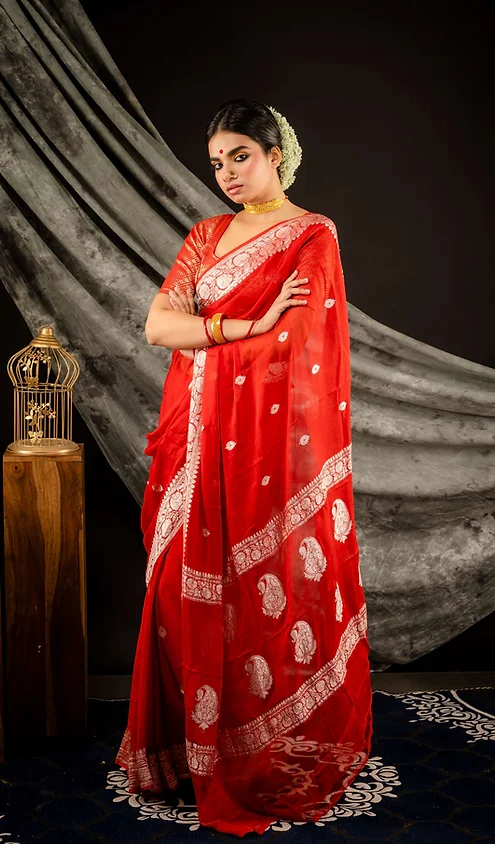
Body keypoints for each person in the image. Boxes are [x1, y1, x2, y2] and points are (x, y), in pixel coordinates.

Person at [115, 98, 373, 837]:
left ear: (274, 154)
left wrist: (219, 337)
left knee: (252, 595)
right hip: (195, 443)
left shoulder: (311, 234)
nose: (227, 173)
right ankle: (185, 753)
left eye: (240, 156)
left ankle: (254, 754)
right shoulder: (206, 235)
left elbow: (302, 343)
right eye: (217, 163)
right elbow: (158, 325)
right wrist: (248, 324)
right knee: (178, 589)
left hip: (263, 450)